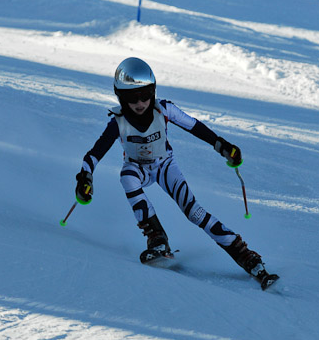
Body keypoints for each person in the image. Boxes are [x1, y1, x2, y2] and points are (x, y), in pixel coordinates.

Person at [75, 57, 278, 287]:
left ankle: (245, 255)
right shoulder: (118, 122)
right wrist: (85, 176)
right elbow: (95, 153)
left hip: (164, 165)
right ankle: (157, 238)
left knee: (194, 212)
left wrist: (222, 145)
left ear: (154, 91)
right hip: (137, 166)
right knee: (127, 177)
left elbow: (195, 126)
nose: (140, 103)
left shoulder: (164, 109)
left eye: (145, 95)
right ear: (121, 98)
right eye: (132, 98)